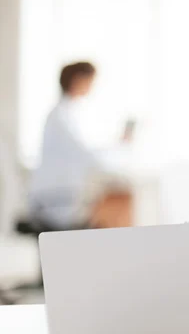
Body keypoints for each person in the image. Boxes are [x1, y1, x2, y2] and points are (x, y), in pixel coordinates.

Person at [28, 62, 133, 232]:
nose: (91, 87)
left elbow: (85, 153)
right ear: (77, 80)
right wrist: (118, 147)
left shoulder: (69, 113)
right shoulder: (60, 117)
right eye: (90, 81)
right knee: (113, 209)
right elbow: (86, 156)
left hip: (64, 195)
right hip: (56, 200)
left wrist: (117, 147)